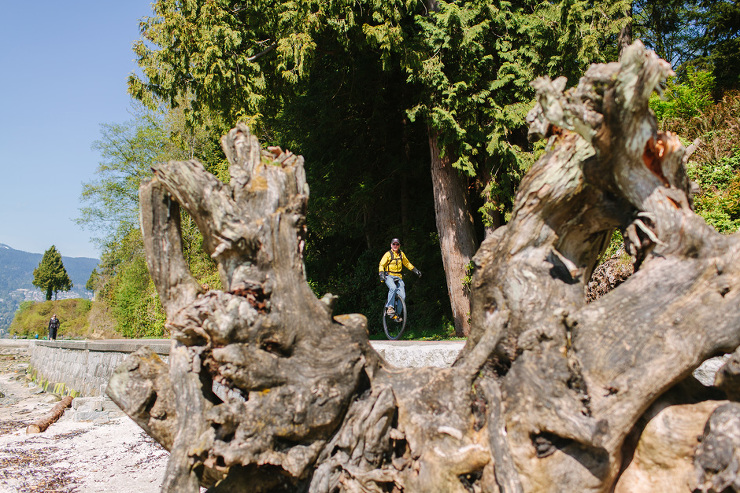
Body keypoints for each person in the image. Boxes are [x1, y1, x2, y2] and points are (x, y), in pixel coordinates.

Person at [378, 238, 421, 322]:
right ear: (391, 245)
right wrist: (381, 274)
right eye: (394, 244)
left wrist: (415, 270)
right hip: (389, 276)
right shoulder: (388, 254)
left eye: (397, 244)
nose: (395, 246)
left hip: (398, 277)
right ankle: (390, 308)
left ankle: (396, 315)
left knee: (403, 296)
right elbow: (381, 264)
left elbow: (407, 263)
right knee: (393, 288)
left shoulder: (401, 254)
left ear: (399, 245)